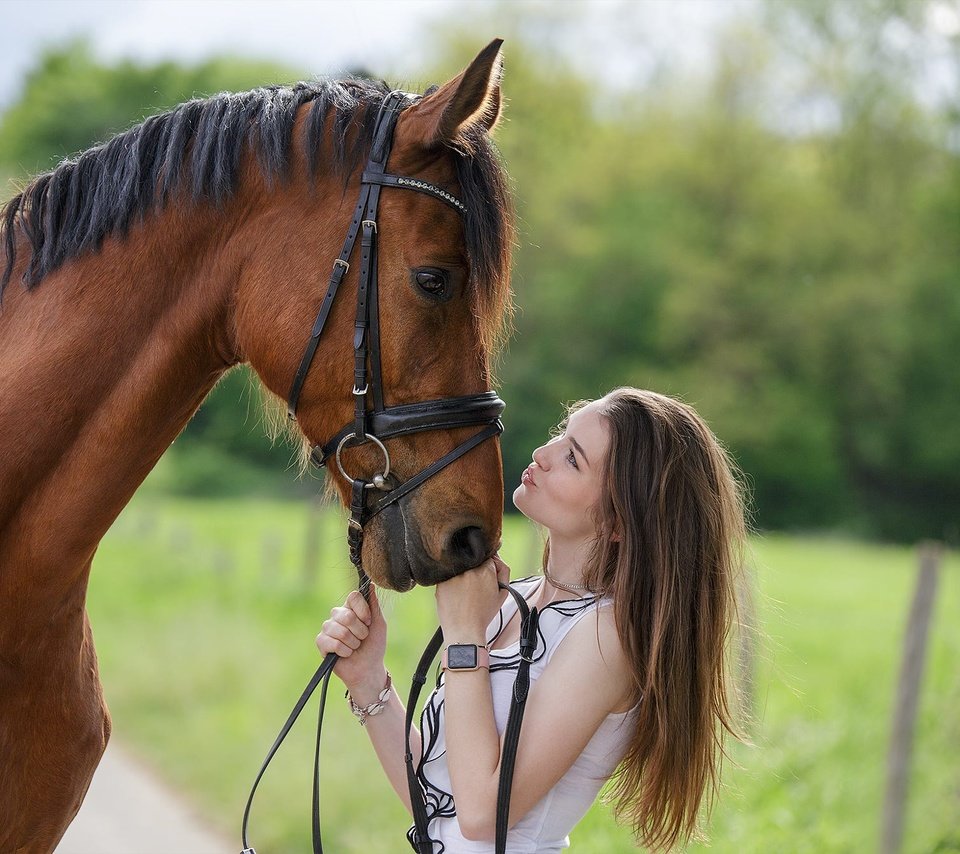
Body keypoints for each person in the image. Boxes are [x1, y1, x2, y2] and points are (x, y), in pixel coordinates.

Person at [316, 387, 748, 852]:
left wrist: (463, 636)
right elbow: (441, 803)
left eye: (573, 459)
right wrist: (368, 681)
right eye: (561, 437)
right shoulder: (513, 598)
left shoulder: (606, 638)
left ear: (618, 521)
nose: (542, 454)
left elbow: (484, 815)